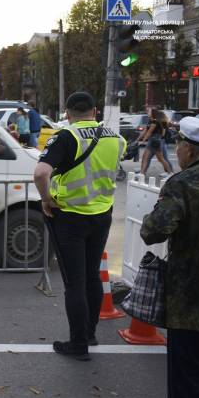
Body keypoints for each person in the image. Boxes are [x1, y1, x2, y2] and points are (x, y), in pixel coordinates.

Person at [33, 91, 126, 361]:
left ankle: (78, 344)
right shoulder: (116, 138)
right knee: (92, 276)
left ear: (67, 111)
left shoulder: (66, 136)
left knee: (74, 283)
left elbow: (41, 173)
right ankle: (89, 333)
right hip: (102, 214)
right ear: (95, 111)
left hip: (70, 216)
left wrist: (46, 199)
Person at [140, 116, 199, 398]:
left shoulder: (183, 184)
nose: (176, 151)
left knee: (187, 381)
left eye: (178, 146)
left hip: (190, 303)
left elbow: (153, 232)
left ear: (189, 149)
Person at [138, 109, 173, 177]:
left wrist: (143, 141)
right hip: (156, 141)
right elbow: (147, 131)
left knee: (146, 157)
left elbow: (149, 132)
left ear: (153, 113)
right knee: (161, 159)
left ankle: (142, 173)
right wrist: (139, 139)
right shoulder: (153, 121)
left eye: (149, 112)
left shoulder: (154, 121)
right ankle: (170, 173)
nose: (148, 113)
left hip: (154, 141)